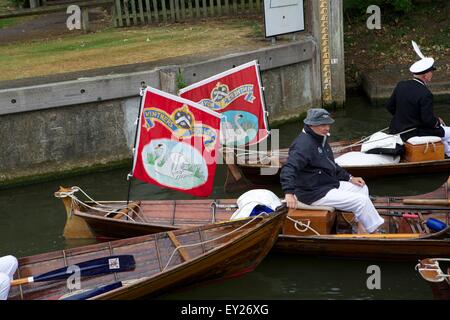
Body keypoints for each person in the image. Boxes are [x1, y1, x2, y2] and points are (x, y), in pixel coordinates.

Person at [280, 108, 384, 234]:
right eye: (323, 124)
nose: (327, 127)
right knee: (361, 201)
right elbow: (288, 168)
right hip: (313, 192)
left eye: (328, 123)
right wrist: (289, 193)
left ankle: (361, 224)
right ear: (311, 124)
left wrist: (349, 178)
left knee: (361, 187)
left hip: (326, 184)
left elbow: (331, 165)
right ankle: (374, 232)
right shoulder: (303, 145)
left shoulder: (320, 138)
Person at [386, 41, 450, 156]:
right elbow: (428, 121)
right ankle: (446, 155)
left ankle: (444, 151)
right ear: (425, 75)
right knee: (447, 131)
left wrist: (405, 118)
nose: (432, 74)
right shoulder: (425, 94)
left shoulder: (401, 85)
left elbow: (390, 107)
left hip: (397, 129)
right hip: (414, 133)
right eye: (431, 72)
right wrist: (436, 121)